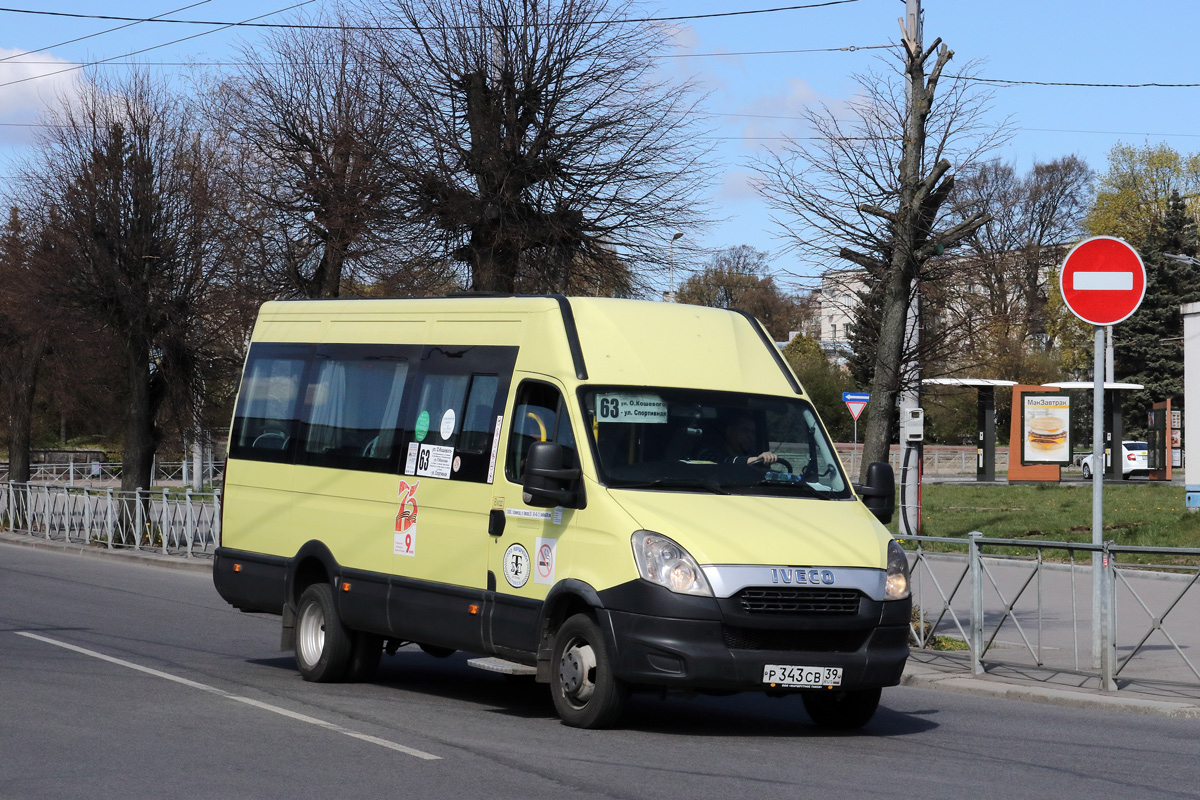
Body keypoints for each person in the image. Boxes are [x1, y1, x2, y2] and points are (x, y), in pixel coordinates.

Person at [703, 412, 777, 466]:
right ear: (730, 431)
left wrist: (766, 458)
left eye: (753, 432)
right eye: (745, 430)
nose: (750, 436)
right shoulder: (708, 453)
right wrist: (757, 460)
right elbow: (723, 462)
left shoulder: (754, 453)